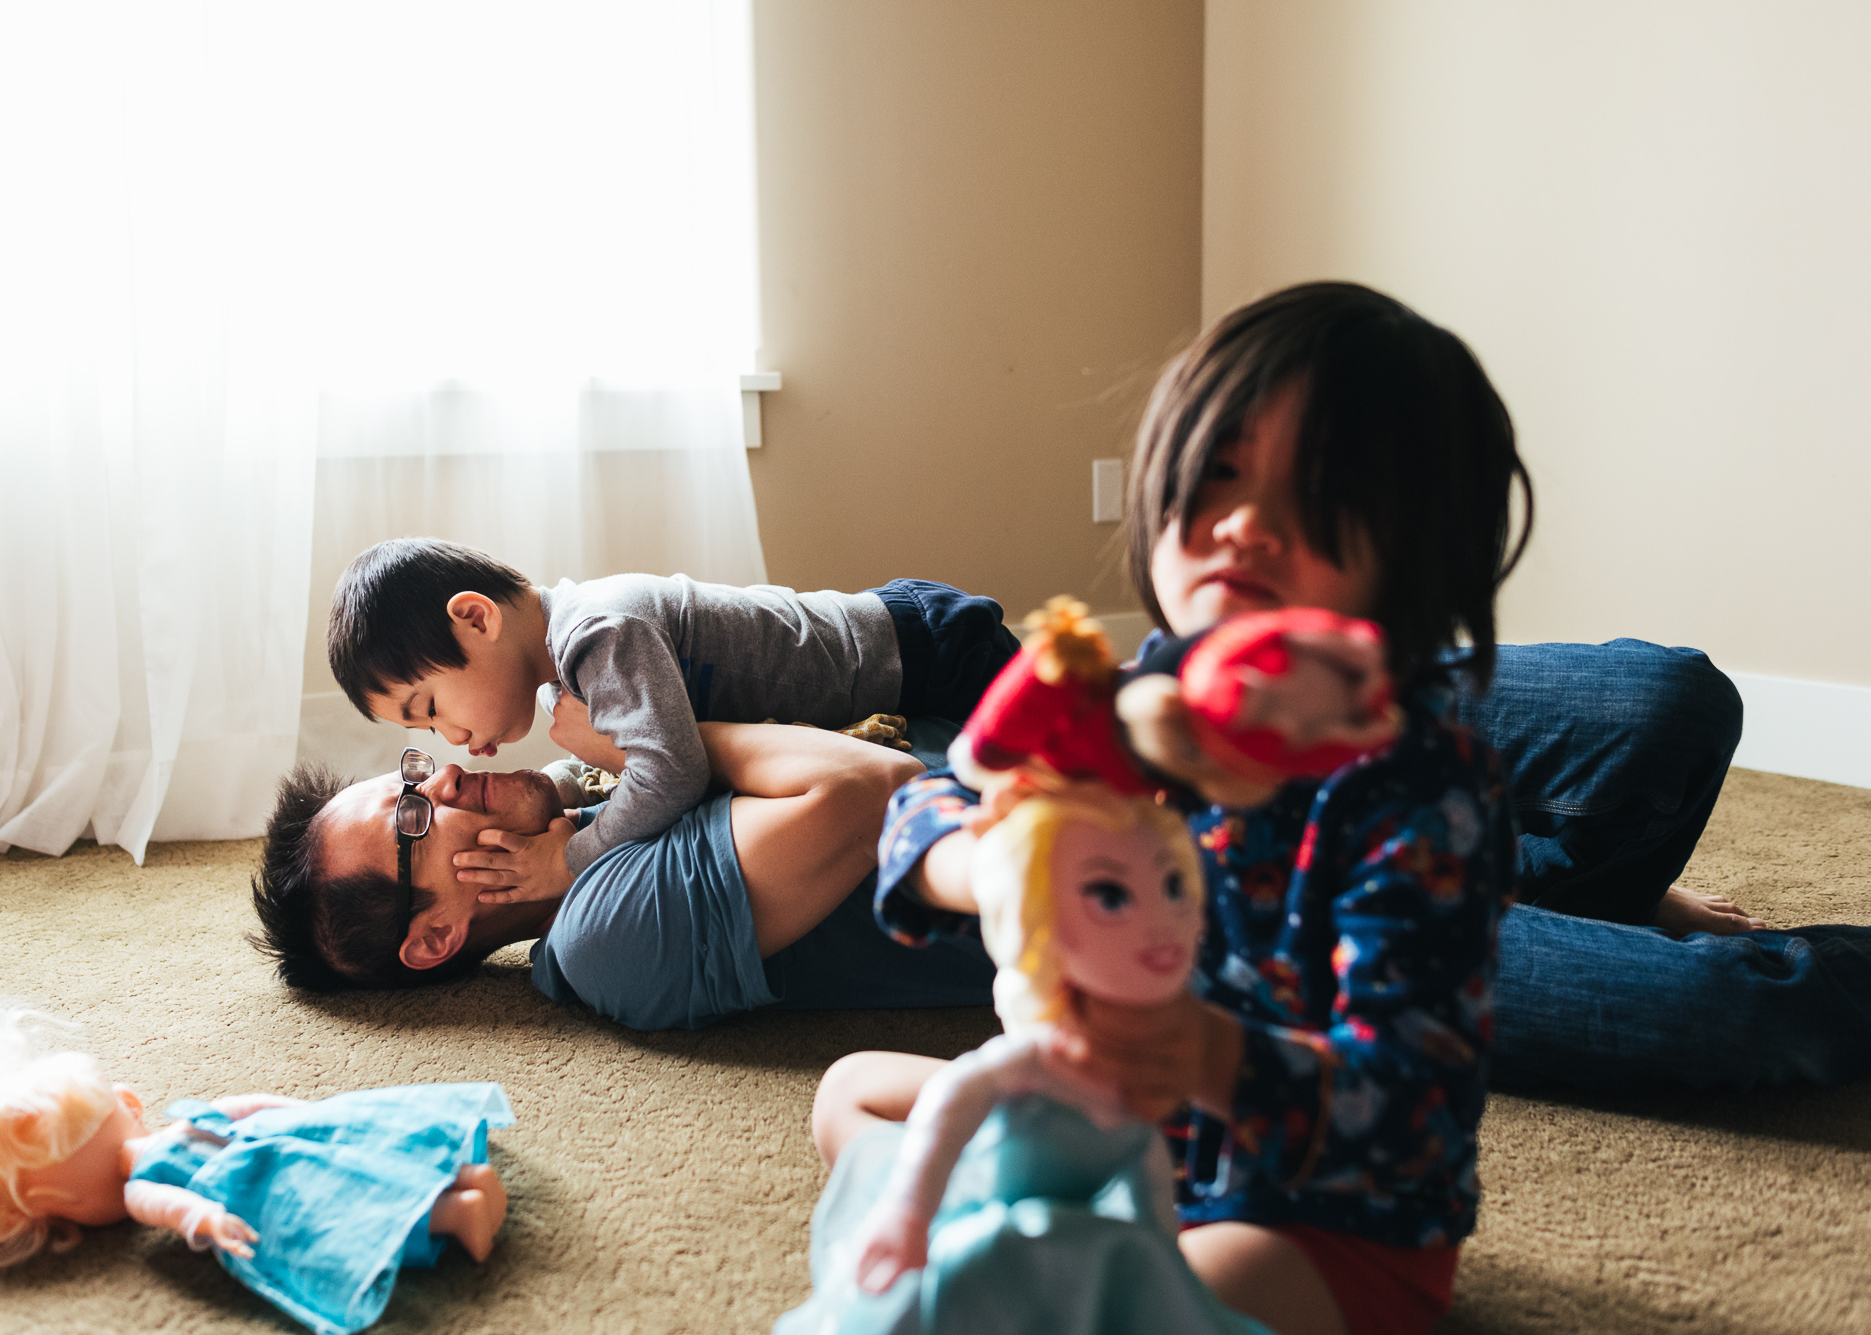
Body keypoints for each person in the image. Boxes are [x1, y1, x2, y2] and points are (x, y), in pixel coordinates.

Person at [825, 281, 1871, 1335]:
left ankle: (1034, 1273)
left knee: (1168, 1286)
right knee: (852, 1096)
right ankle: (1018, 1260)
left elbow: (1400, 1110)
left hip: (1311, 1207)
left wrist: (1203, 1058)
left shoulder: (1421, 786)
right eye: (1218, 474)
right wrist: (981, 861)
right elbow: (929, 808)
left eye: (1316, 499)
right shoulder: (1112, 693)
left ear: (1412, 558)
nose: (1241, 524)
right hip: (1117, 1131)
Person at [777, 785, 1270, 1335]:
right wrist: (996, 868)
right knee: (849, 1088)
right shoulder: (1110, 745)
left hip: (1254, 1174)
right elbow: (923, 804)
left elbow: (1150, 1184)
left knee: (1152, 1293)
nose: (1160, 925)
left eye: (1176, 889)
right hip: (1056, 1103)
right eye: (1110, 896)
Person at [324, 539, 1020, 898]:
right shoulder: (560, 686)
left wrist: (569, 860)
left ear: (476, 619)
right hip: (900, 666)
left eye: (432, 706)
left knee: (1070, 756)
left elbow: (672, 769)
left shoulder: (600, 631)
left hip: (925, 648)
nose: (448, 738)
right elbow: (618, 755)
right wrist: (565, 782)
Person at [249, 704, 998, 1030]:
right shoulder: (606, 935)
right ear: (438, 932)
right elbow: (874, 790)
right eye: (413, 818)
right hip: (1064, 835)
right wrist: (647, 741)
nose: (441, 778)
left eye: (410, 776)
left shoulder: (573, 815)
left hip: (1010, 723)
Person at [0, 1003, 513, 1335]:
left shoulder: (143, 1185)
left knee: (340, 1211)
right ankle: (457, 1193)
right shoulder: (171, 1134)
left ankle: (455, 1212)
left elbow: (171, 1209)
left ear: (50, 1200)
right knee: (354, 1167)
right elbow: (239, 1110)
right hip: (272, 1143)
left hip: (263, 1190)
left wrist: (207, 1217)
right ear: (124, 1103)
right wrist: (309, 1115)